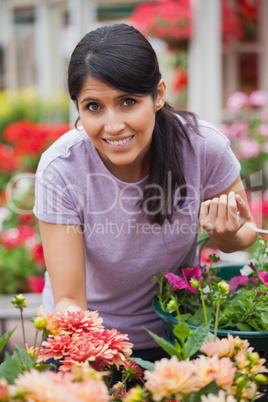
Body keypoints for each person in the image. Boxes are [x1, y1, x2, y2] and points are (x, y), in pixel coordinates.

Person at [33, 23, 257, 363]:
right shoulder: (61, 169)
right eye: (93, 106)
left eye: (128, 102)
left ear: (159, 95)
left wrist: (225, 236)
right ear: (77, 107)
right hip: (90, 341)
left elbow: (246, 234)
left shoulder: (203, 149)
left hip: (178, 332)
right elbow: (69, 299)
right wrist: (97, 360)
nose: (113, 125)